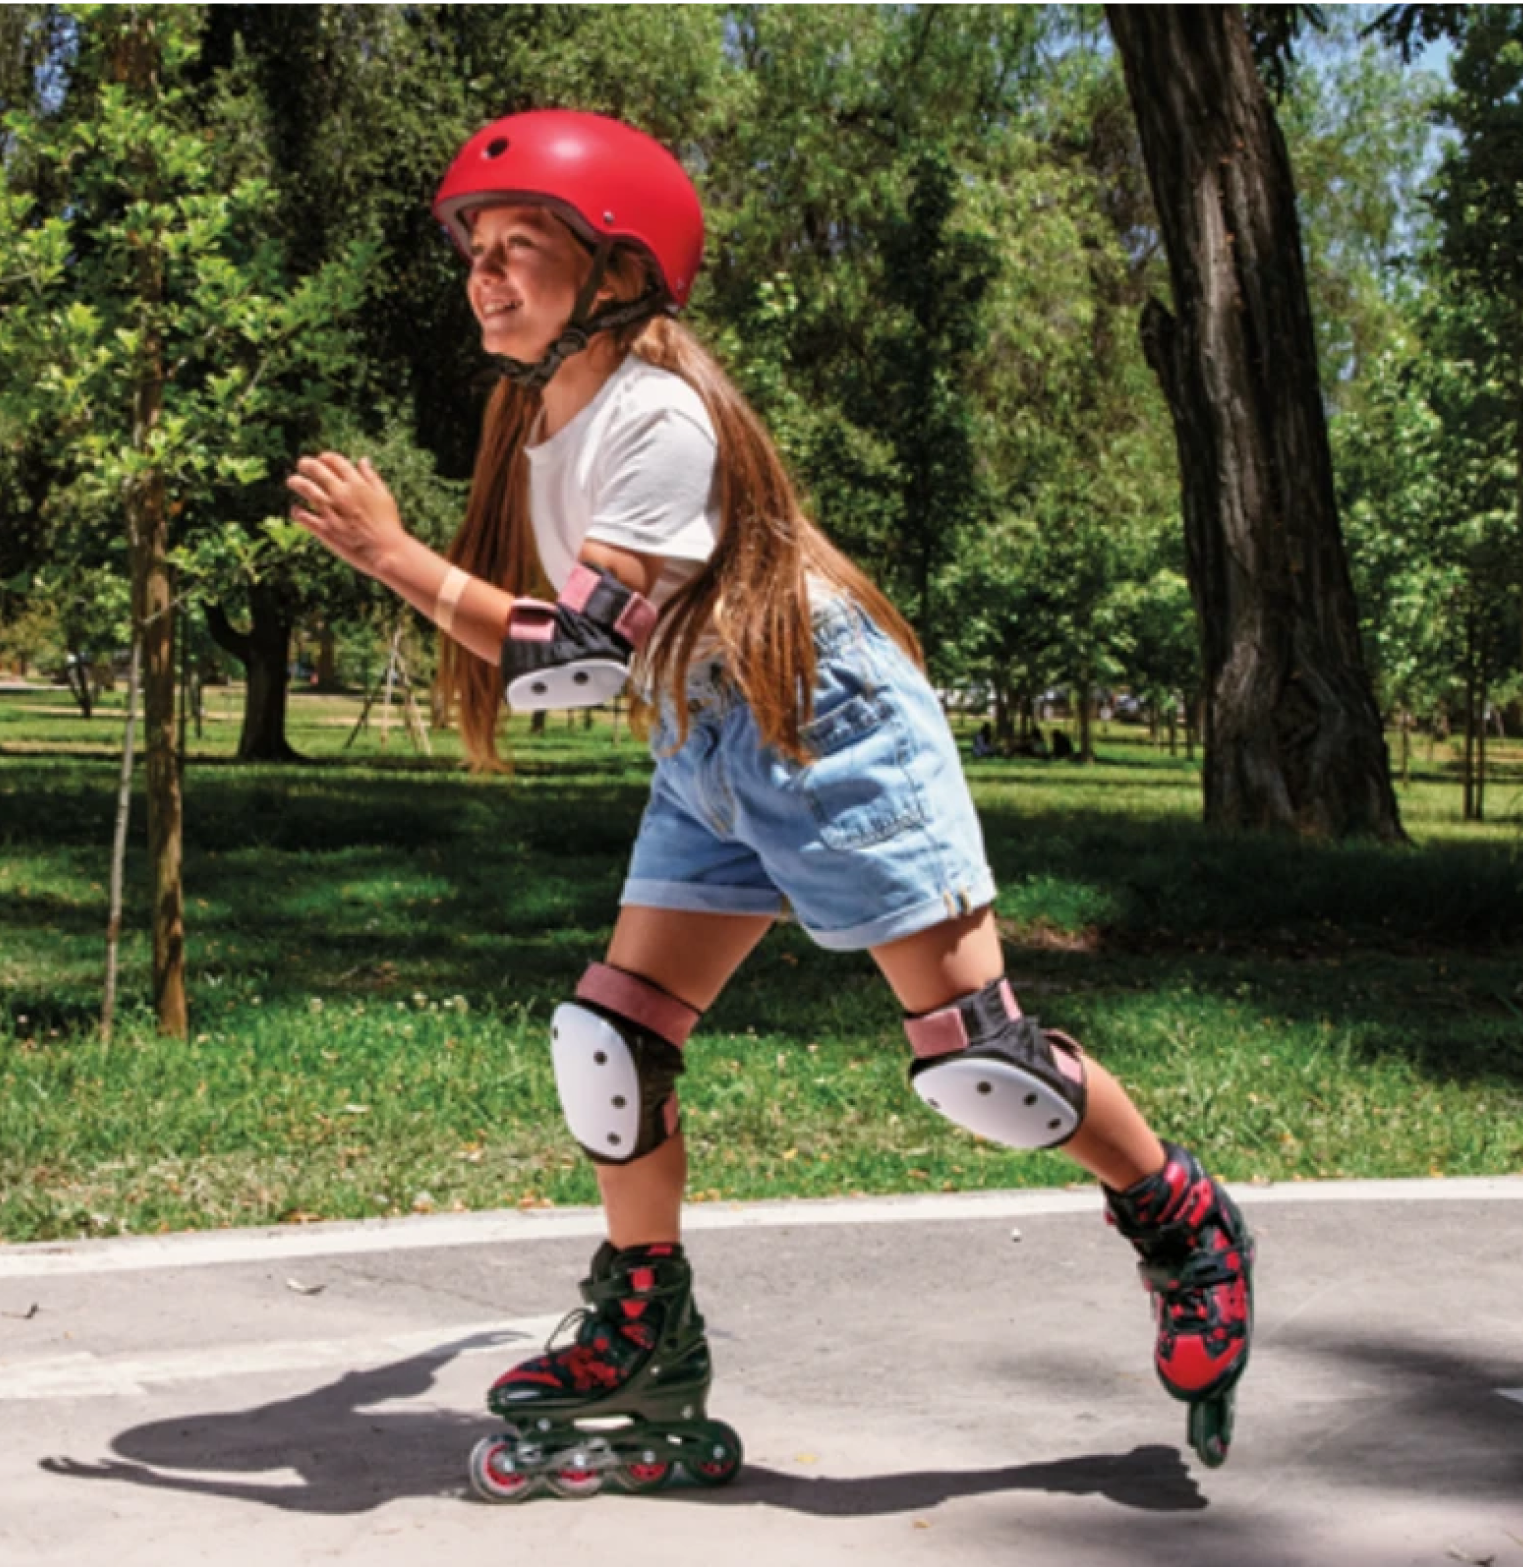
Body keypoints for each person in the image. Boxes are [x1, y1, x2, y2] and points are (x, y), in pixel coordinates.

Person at [284, 110, 1252, 1498]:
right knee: (609, 1040)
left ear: (614, 275)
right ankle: (642, 1326)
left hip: (824, 719)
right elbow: (602, 656)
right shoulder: (544, 407)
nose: (483, 278)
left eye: (519, 250)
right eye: (476, 252)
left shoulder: (661, 415)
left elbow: (572, 655)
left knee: (979, 1062)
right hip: (704, 729)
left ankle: (1183, 1219)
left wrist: (392, 555)